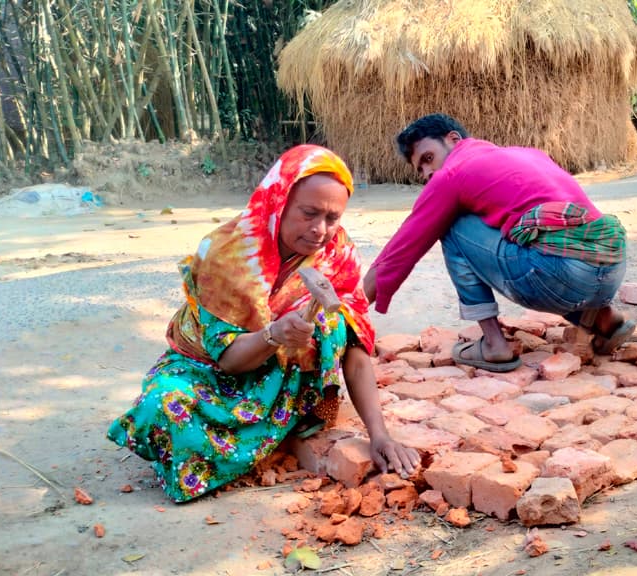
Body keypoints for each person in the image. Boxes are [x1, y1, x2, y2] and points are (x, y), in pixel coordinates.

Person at [108, 145, 420, 502]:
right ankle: (271, 433)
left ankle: (282, 424)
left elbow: (356, 350)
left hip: (278, 381)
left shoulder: (337, 255)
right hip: (208, 368)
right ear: (279, 200)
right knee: (163, 405)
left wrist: (379, 434)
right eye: (308, 213)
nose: (320, 230)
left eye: (332, 218)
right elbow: (227, 360)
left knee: (335, 324)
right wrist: (273, 334)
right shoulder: (228, 252)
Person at [363, 114, 636, 373]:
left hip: (558, 274)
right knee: (543, 234)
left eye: (428, 158)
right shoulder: (528, 153)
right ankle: (603, 318)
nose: (427, 173)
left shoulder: (451, 174)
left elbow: (400, 252)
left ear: (453, 139)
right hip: (613, 266)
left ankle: (494, 343)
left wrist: (346, 310)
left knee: (451, 225)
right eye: (421, 169)